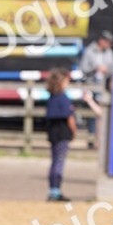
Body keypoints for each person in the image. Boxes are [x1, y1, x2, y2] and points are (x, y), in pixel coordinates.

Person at [45, 69, 76, 202]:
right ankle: (56, 191)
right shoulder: (63, 99)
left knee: (54, 162)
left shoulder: (51, 98)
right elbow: (70, 118)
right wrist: (74, 132)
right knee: (59, 163)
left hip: (53, 134)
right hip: (62, 134)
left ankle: (53, 189)